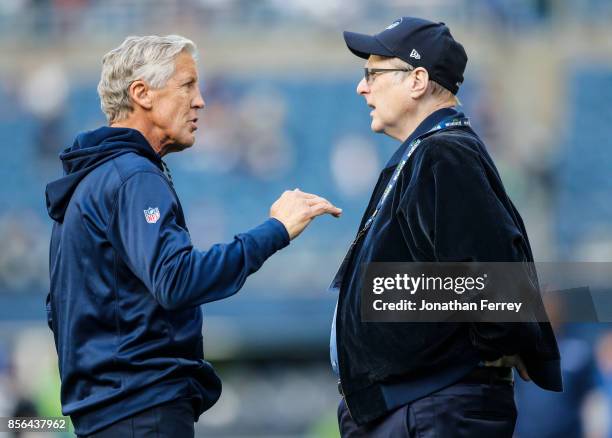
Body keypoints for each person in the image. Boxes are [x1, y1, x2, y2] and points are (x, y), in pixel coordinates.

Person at [44, 35, 341, 438]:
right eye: (187, 85)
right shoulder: (133, 177)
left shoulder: (90, 180)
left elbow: (57, 307)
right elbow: (177, 280)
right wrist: (275, 231)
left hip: (105, 411)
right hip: (141, 410)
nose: (200, 101)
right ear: (141, 93)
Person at [330, 17, 562, 437]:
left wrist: (478, 357)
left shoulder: (444, 154)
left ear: (418, 80)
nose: (361, 87)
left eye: (373, 73)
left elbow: (496, 286)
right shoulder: (430, 151)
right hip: (421, 403)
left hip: (434, 406)